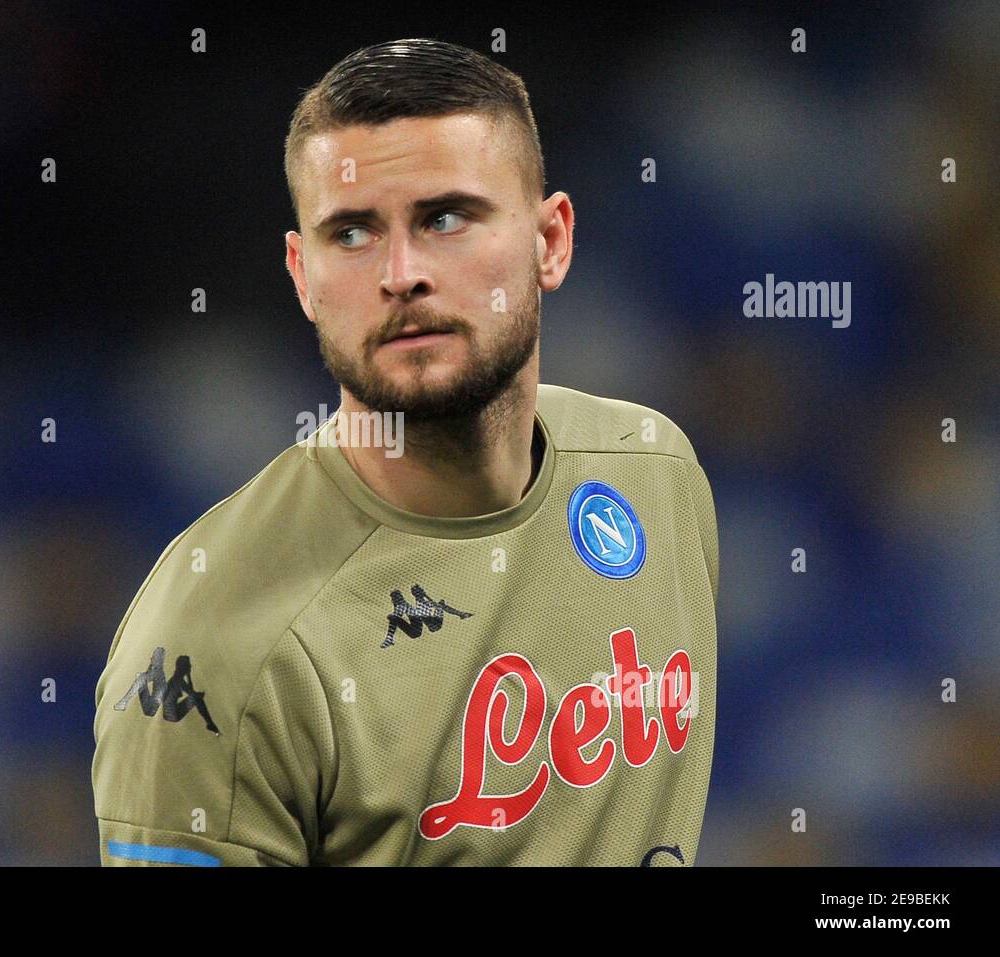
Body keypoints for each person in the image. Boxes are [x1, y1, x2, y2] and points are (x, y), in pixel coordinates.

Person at [92, 37, 718, 866]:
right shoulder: (210, 644)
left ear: (551, 242)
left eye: (445, 218)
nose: (401, 273)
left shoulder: (656, 473)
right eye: (350, 233)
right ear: (303, 277)